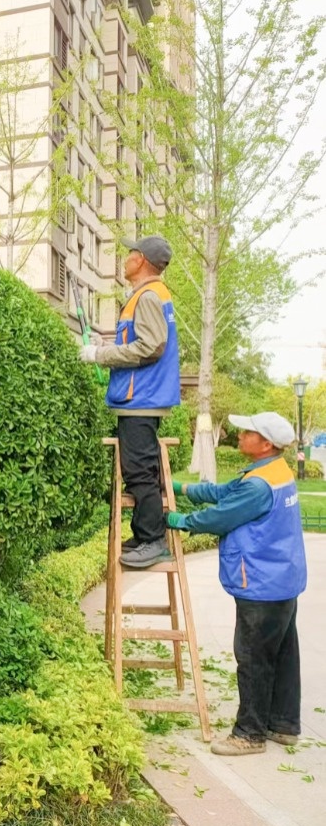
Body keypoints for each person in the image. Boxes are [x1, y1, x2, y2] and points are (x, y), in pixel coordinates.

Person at [166, 412, 306, 756]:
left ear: (266, 444)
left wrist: (180, 520)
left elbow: (221, 516)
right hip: (282, 579)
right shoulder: (274, 472)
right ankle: (284, 725)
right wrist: (182, 487)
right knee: (283, 653)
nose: (239, 436)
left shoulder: (258, 486)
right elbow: (224, 492)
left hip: (261, 583)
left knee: (254, 656)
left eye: (247, 433)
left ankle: (249, 734)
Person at [79, 234, 180, 568]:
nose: (125, 259)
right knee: (140, 468)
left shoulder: (148, 296)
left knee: (139, 472)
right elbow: (138, 340)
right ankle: (143, 534)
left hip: (142, 399)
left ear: (142, 260)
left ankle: (153, 540)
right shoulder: (145, 296)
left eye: (130, 253)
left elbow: (151, 347)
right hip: (140, 397)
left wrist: (100, 354)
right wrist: (106, 342)